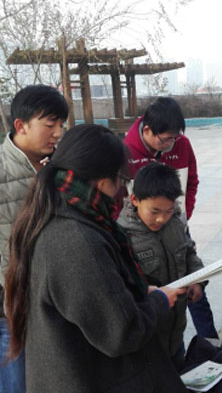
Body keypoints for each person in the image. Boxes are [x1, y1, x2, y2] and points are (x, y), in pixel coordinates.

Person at [5, 124, 187, 393]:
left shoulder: (53, 211)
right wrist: (158, 301)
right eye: (120, 180)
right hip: (85, 378)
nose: (120, 189)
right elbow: (121, 332)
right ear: (103, 181)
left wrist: (137, 293)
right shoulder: (76, 239)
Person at [123, 97, 218, 339]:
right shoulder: (126, 151)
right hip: (140, 233)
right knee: (157, 290)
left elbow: (192, 181)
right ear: (147, 130)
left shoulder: (181, 145)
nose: (169, 145)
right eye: (165, 139)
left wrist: (181, 215)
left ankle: (209, 341)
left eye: (174, 138)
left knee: (193, 284)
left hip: (176, 226)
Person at [0, 84, 68, 392]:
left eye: (61, 124)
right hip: (11, 310)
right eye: (50, 124)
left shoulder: (53, 168)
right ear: (21, 125)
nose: (58, 133)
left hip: (48, 301)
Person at [118, 162, 205, 371]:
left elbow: (189, 253)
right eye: (155, 211)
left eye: (168, 211)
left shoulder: (175, 224)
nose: (161, 219)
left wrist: (197, 280)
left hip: (176, 335)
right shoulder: (122, 236)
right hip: (146, 343)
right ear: (134, 200)